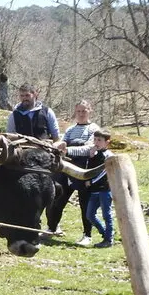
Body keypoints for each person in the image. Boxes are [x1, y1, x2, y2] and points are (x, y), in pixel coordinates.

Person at [48, 100, 101, 242]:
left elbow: (89, 148)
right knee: (58, 199)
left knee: (85, 204)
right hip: (66, 169)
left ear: (90, 111)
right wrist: (57, 146)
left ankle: (87, 235)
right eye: (78, 111)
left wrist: (68, 150)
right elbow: (62, 143)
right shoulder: (71, 129)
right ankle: (52, 228)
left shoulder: (94, 129)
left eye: (84, 111)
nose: (81, 114)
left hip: (84, 171)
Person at [84, 129, 114, 248]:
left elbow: (103, 172)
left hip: (105, 189)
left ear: (107, 142)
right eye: (95, 139)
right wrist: (91, 157)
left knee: (106, 214)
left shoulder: (109, 155)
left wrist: (91, 181)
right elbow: (89, 169)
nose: (96, 142)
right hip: (94, 190)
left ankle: (108, 239)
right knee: (90, 215)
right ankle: (105, 233)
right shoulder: (94, 154)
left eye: (99, 140)